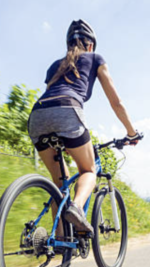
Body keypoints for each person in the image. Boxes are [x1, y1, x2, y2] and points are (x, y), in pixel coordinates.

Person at [28, 19, 139, 236]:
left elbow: (52, 96)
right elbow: (116, 103)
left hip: (37, 116)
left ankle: (59, 240)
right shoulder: (95, 58)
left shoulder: (54, 66)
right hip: (68, 112)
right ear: (90, 45)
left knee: (59, 184)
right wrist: (131, 132)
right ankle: (77, 208)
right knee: (89, 170)